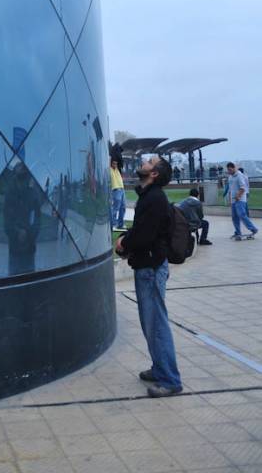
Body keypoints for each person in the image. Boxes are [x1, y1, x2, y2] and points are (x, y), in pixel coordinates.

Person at [116, 156, 183, 398]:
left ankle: (170, 380)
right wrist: (127, 239)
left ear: (154, 174)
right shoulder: (149, 196)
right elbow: (143, 229)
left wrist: (124, 243)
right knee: (150, 323)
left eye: (150, 161)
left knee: (155, 324)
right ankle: (159, 368)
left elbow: (144, 236)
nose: (145, 161)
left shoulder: (154, 199)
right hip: (147, 266)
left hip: (152, 269)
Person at [227, 163, 258, 240]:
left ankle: (253, 229)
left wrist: (238, 196)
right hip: (233, 200)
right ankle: (238, 232)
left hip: (240, 200)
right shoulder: (230, 177)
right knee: (234, 217)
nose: (229, 171)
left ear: (234, 168)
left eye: (230, 169)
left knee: (242, 215)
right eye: (228, 170)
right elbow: (230, 189)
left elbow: (243, 187)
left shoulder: (239, 176)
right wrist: (230, 200)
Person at [110, 158, 126, 230]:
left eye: (116, 163)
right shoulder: (109, 170)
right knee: (116, 207)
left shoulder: (117, 170)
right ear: (111, 163)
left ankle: (120, 224)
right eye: (114, 163)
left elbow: (120, 162)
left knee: (123, 207)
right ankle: (113, 224)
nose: (115, 165)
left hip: (122, 189)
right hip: (115, 189)